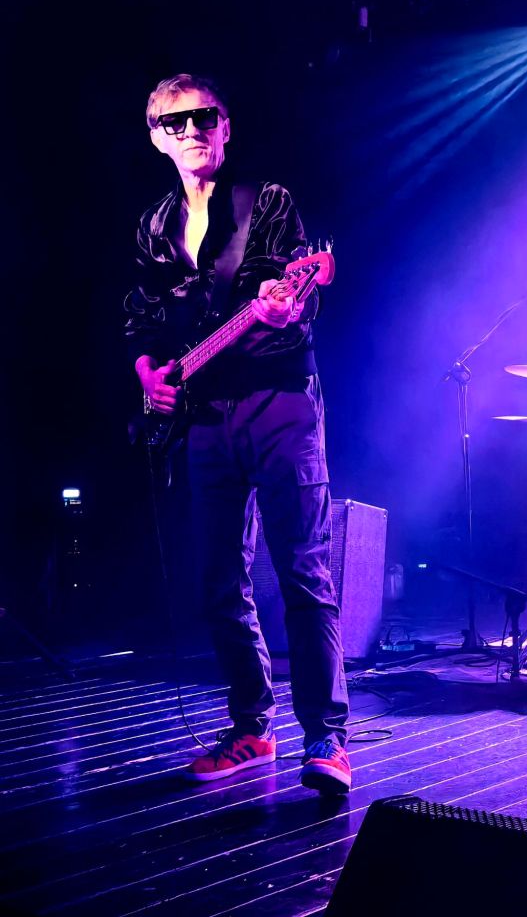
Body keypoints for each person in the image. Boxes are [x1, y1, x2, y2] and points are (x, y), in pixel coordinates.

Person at [124, 73, 350, 794]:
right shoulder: (153, 227)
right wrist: (149, 374)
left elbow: (296, 295)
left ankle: (326, 737)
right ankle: (252, 728)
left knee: (302, 571)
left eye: (204, 117)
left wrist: (287, 305)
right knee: (220, 579)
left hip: (279, 402)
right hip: (205, 415)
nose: (192, 130)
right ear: (157, 138)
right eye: (175, 121)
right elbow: (142, 321)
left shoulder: (267, 202)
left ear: (225, 127)